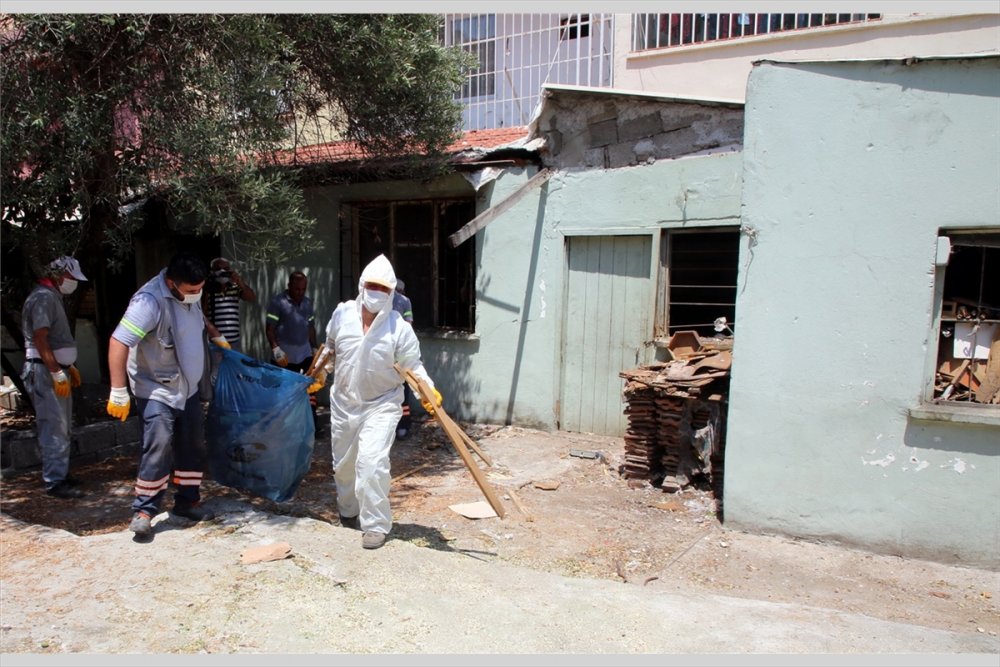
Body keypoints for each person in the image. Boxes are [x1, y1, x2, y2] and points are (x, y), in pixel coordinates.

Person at [318, 254, 441, 550]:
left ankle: (374, 525)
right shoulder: (342, 315)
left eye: (383, 288)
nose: (376, 292)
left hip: (382, 405)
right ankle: (348, 512)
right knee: (343, 468)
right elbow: (330, 349)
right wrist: (321, 370)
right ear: (361, 285)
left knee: (371, 463)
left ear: (391, 293)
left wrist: (428, 389)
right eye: (372, 285)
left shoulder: (399, 328)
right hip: (344, 403)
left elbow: (412, 366)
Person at [106, 251, 227, 538]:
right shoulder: (149, 302)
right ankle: (145, 510)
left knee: (193, 446)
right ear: (172, 283)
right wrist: (118, 389)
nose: (197, 294)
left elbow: (198, 318)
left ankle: (187, 501)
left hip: (188, 389)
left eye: (201, 289)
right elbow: (119, 341)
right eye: (192, 291)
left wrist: (215, 335)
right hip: (156, 388)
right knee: (158, 444)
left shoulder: (189, 295)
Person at [20, 256, 89, 499]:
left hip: (52, 368)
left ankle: (60, 473)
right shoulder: (43, 297)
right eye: (71, 278)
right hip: (44, 370)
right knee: (53, 426)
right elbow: (41, 338)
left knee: (61, 425)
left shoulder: (51, 296)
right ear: (59, 274)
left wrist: (66, 367)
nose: (74, 283)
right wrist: (56, 370)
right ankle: (54, 481)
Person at [266, 271, 317, 373]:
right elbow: (269, 329)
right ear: (289, 286)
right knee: (284, 388)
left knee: (308, 387)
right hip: (284, 358)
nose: (300, 292)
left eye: (303, 289)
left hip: (305, 356)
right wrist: (276, 349)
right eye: (297, 289)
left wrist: (315, 348)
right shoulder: (278, 302)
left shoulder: (307, 303)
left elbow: (310, 327)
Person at [202, 257, 256, 353]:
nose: (222, 271)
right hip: (215, 342)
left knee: (233, 367)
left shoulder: (235, 287)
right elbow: (202, 313)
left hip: (234, 341)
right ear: (212, 271)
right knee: (216, 368)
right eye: (218, 269)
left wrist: (240, 282)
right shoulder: (208, 290)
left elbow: (251, 298)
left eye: (226, 269)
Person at [392, 279, 415, 440]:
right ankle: (403, 426)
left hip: (384, 353)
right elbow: (409, 324)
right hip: (401, 353)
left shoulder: (383, 301)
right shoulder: (405, 301)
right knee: (404, 389)